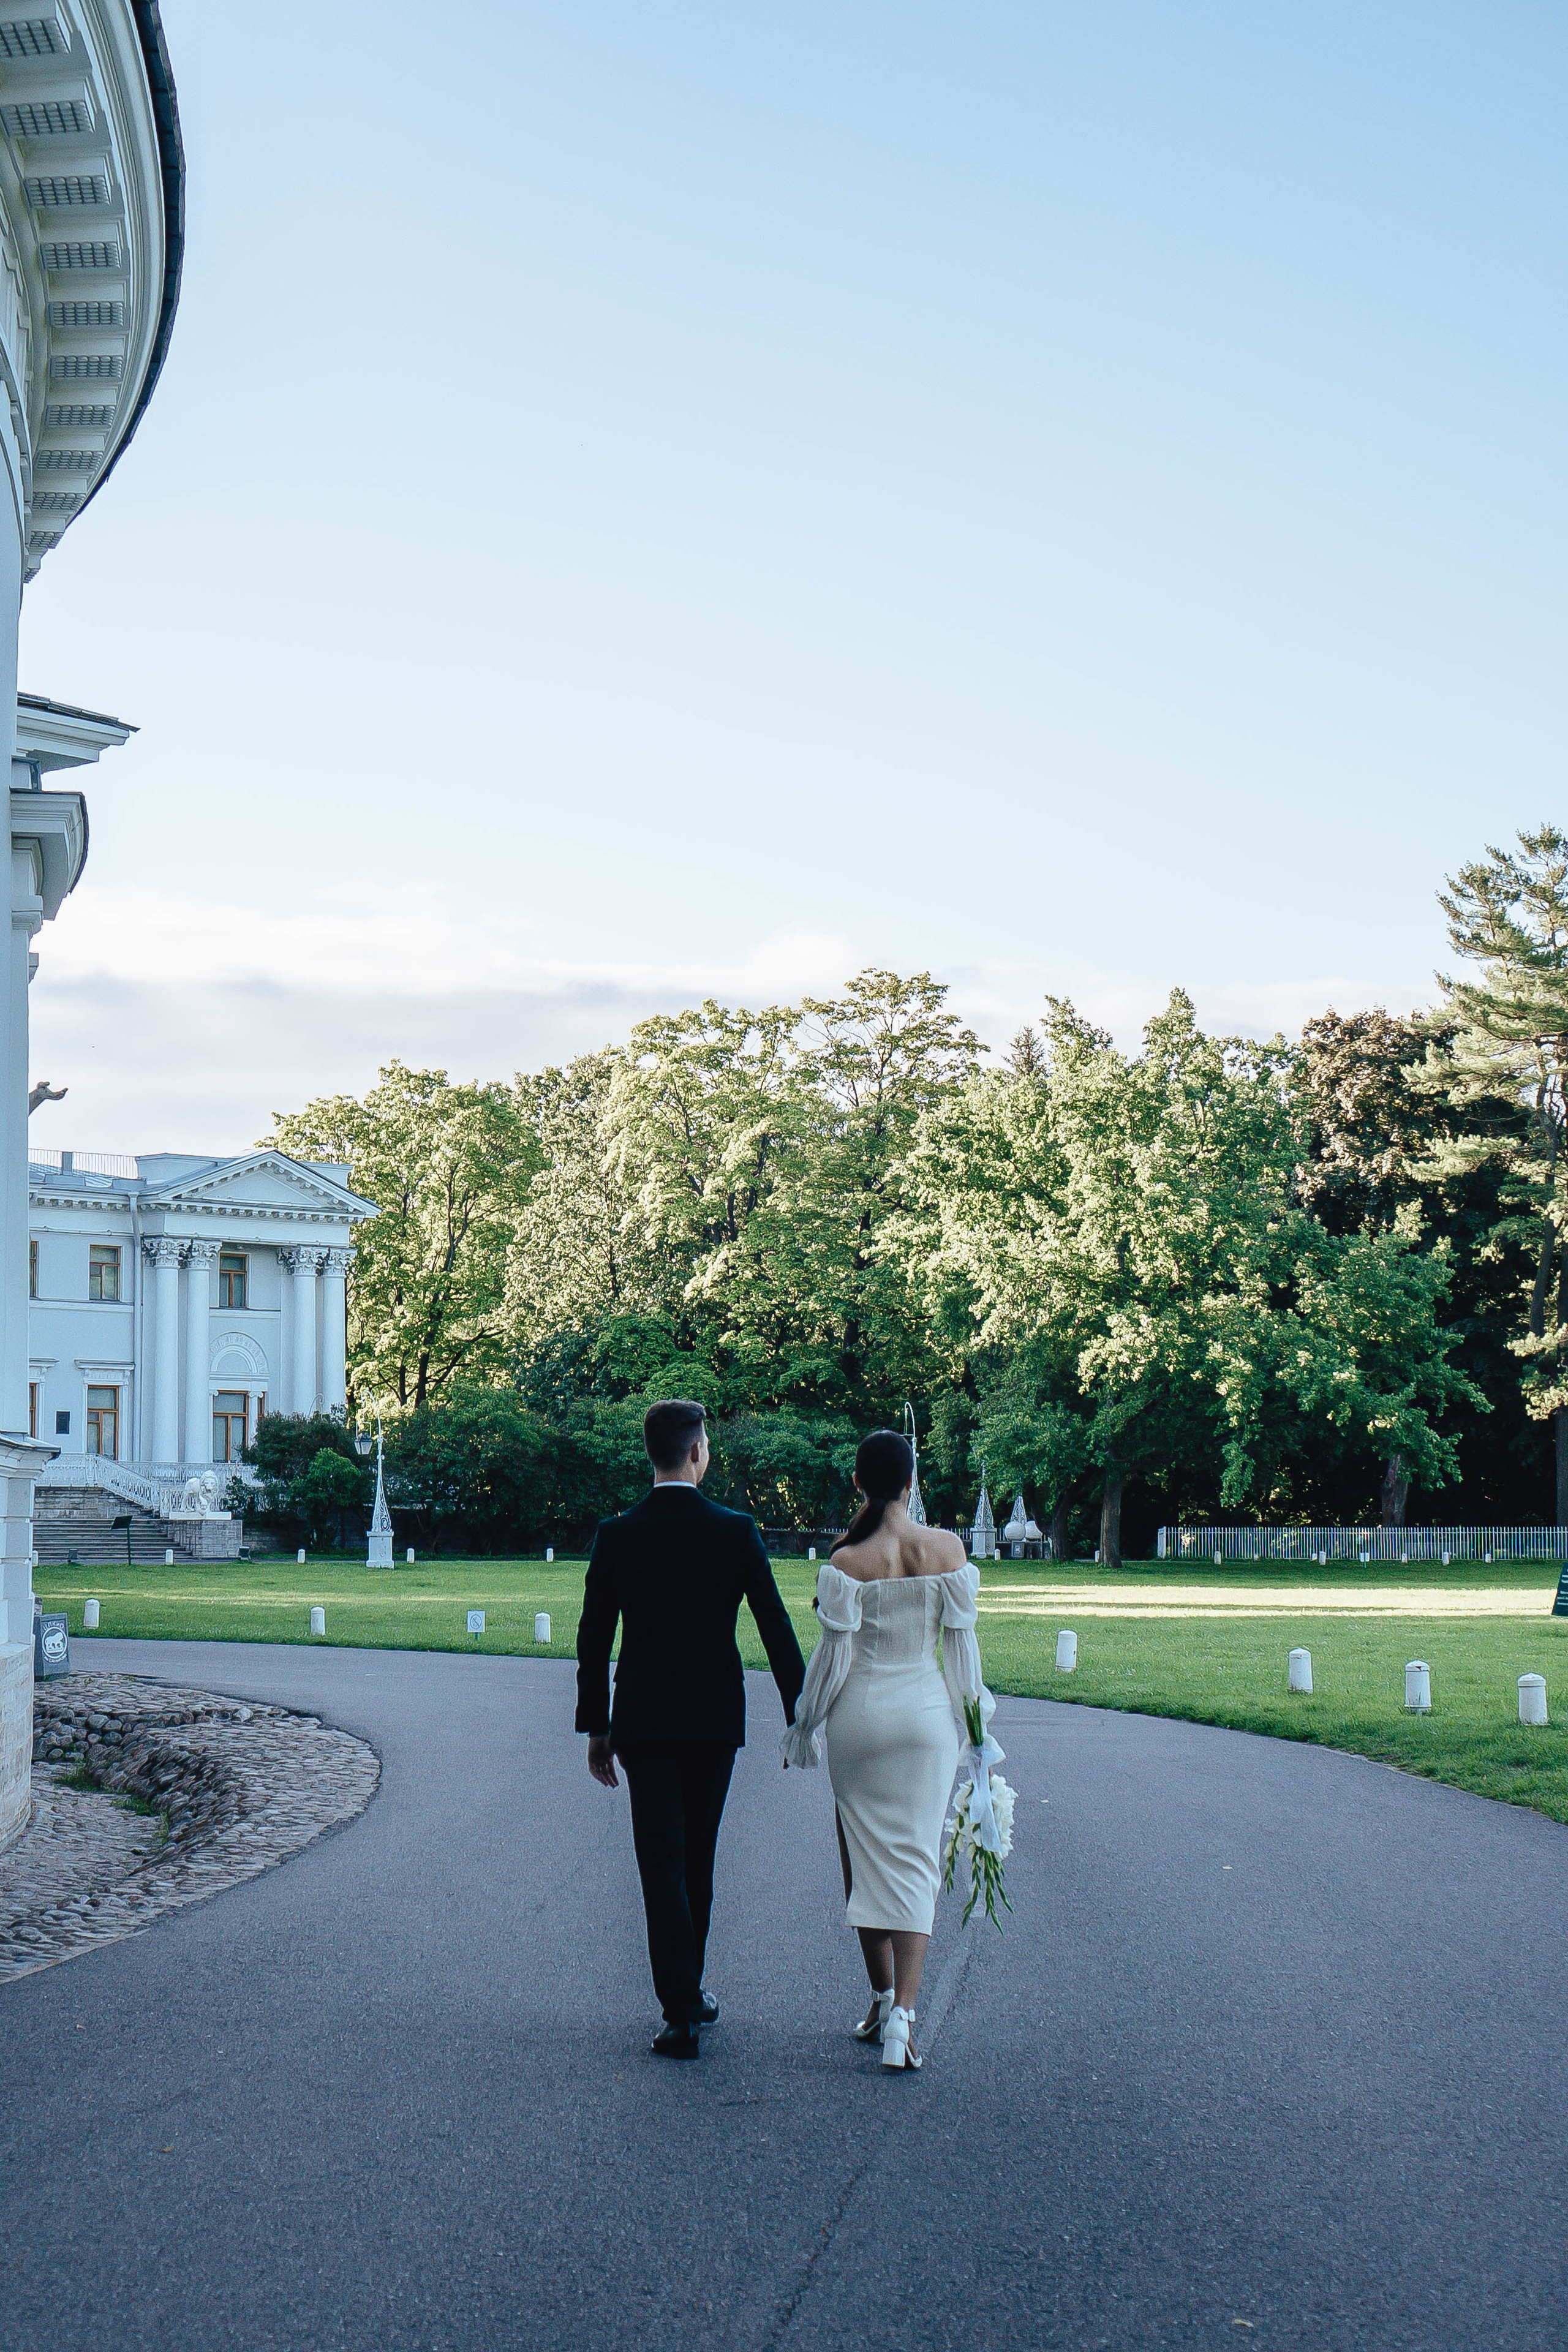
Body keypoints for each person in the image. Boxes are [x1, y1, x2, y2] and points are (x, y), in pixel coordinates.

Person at [576, 1398, 806, 2060]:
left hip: (643, 1720)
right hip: (713, 1720)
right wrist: (798, 1714)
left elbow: (595, 1638)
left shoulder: (617, 1534)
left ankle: (680, 2004)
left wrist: (598, 1727)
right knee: (697, 1857)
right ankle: (689, 1992)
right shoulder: (735, 1530)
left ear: (652, 1454)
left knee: (660, 1863)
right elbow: (774, 1625)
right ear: (698, 1452)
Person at [782, 1428, 993, 2071]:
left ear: (858, 1483)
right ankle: (901, 2013)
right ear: (911, 1483)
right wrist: (977, 1730)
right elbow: (961, 1654)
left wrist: (804, 1725)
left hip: (862, 1722)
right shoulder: (948, 1550)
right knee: (917, 1863)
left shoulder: (846, 1563)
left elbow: (832, 1660)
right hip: (926, 1719)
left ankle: (878, 1997)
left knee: (864, 1859)